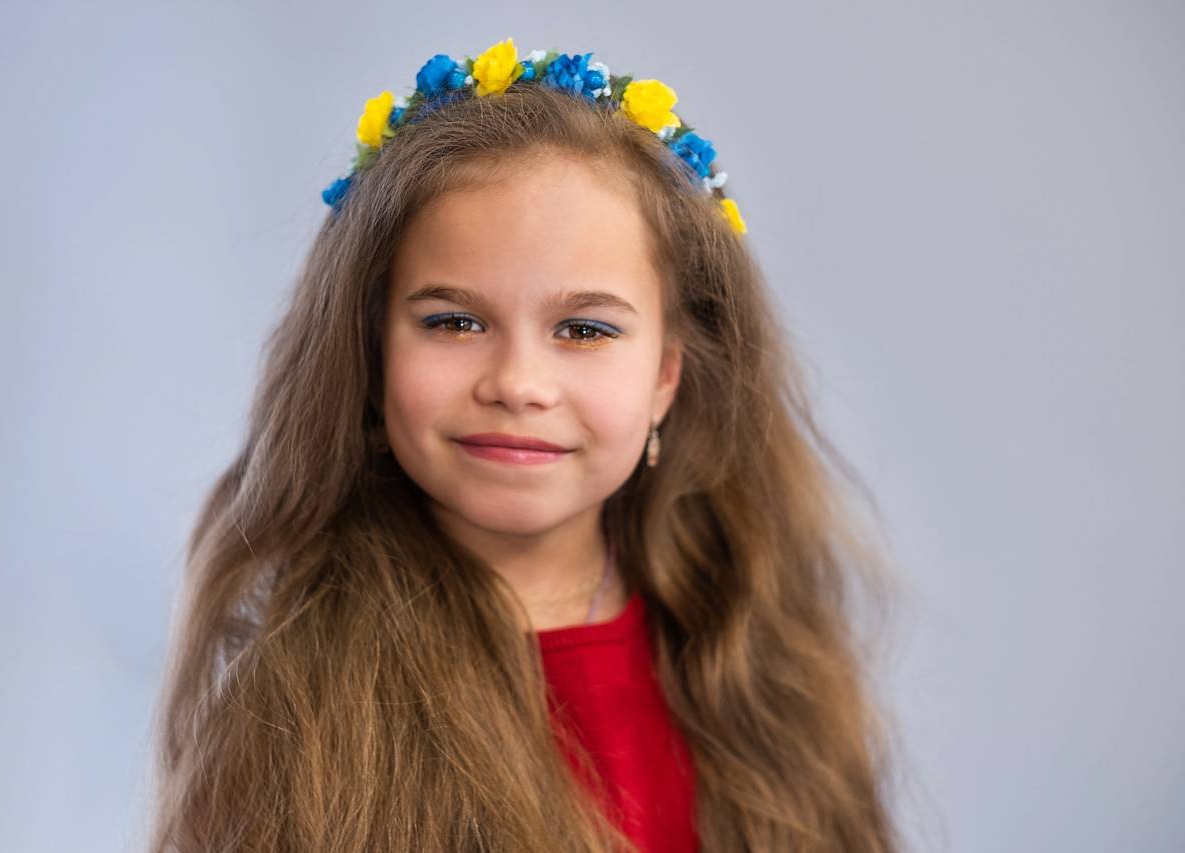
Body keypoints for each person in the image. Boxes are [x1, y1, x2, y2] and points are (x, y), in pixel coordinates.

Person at [148, 37, 898, 853]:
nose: (517, 381)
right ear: (368, 349)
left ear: (665, 377)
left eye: (583, 329)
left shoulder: (753, 651)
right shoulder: (296, 697)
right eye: (454, 321)